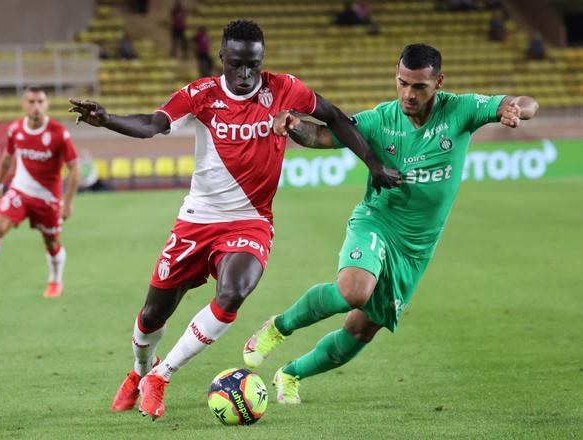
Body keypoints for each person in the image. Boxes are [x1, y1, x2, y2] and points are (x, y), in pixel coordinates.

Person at [69, 19, 400, 420]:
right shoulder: (201, 94)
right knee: (153, 315)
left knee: (233, 292)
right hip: (197, 220)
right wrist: (109, 120)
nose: (246, 75)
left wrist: (372, 161)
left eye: (254, 66)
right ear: (222, 58)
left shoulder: (284, 89)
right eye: (237, 64)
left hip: (251, 220)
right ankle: (139, 371)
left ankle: (162, 376)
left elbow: (336, 118)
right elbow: (153, 125)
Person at [243, 43, 539, 404]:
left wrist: (516, 109)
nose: (408, 94)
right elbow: (321, 136)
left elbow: (526, 101)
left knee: (361, 328)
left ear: (439, 83)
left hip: (416, 248)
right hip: (377, 222)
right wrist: (294, 125)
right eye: (402, 83)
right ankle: (278, 327)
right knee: (355, 290)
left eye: (418, 87)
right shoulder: (381, 119)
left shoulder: (460, 110)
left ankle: (291, 374)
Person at [0, 86, 80, 300]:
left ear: (47, 104)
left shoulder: (59, 133)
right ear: (23, 104)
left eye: (40, 101)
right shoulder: (15, 129)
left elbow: (74, 167)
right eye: (31, 102)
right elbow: (7, 157)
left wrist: (67, 203)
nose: (36, 107)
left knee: (51, 242)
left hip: (48, 198)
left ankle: (55, 282)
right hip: (20, 191)